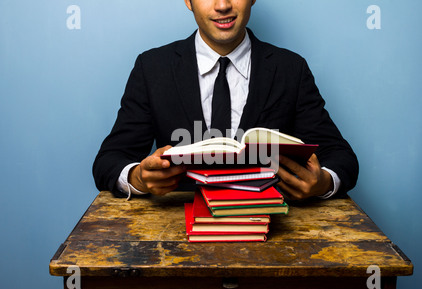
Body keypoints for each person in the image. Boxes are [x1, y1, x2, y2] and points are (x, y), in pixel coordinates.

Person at [93, 0, 358, 200]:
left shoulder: (291, 69)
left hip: (272, 227)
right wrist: (137, 177)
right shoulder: (152, 68)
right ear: (188, 0)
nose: (223, 6)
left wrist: (323, 182)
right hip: (176, 233)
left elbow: (341, 157)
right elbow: (109, 160)